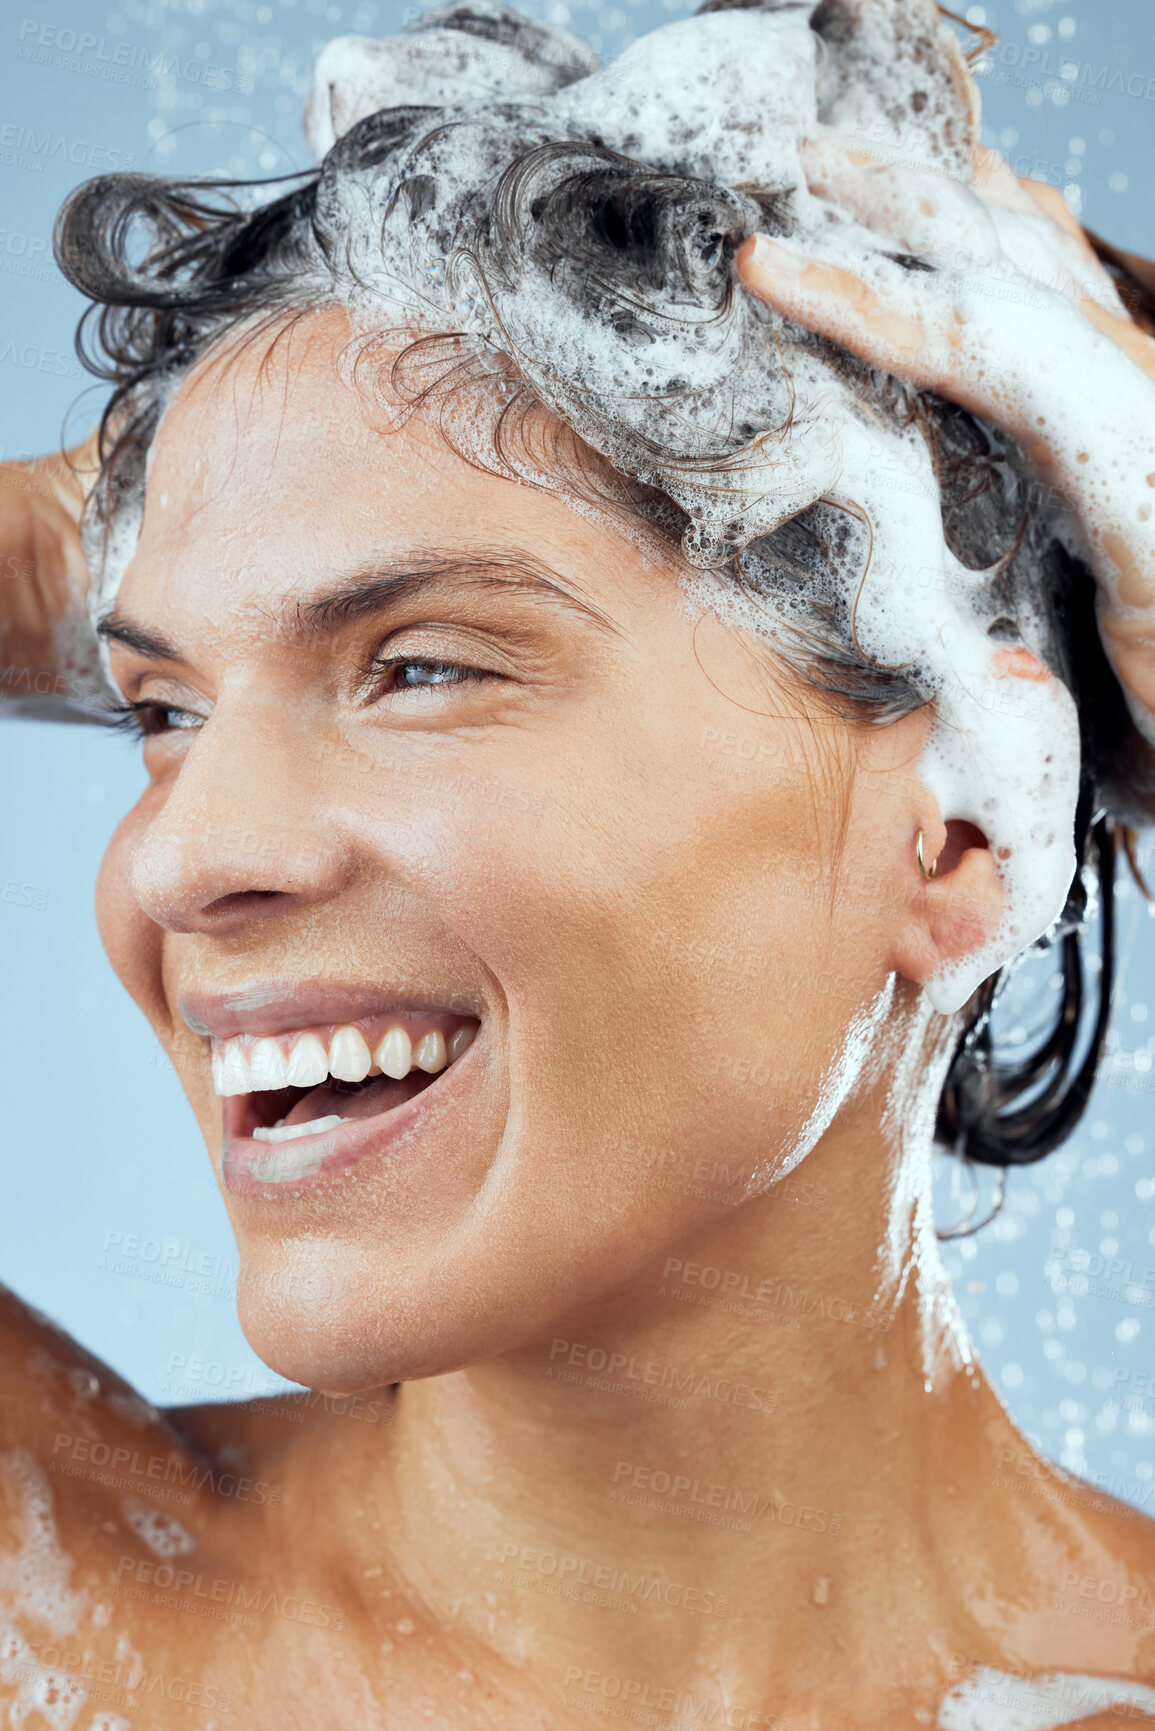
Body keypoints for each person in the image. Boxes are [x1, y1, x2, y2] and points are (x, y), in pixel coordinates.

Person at [3, 0, 1155, 1723]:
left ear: (966, 829)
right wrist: (104, 533)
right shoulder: (56, 1604)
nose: (182, 860)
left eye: (424, 667)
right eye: (160, 706)